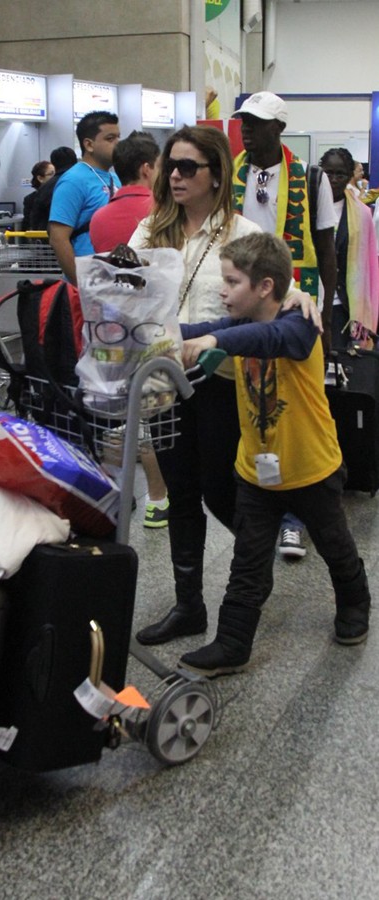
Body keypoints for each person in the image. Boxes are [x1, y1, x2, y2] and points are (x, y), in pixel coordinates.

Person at [176, 232, 371, 677]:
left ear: (265, 286)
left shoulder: (301, 324)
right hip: (256, 472)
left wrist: (214, 344)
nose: (222, 291)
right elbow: (200, 331)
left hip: (312, 470)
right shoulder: (237, 323)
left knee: (335, 546)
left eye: (232, 281)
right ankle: (232, 642)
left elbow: (272, 338)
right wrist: (152, 330)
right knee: (248, 559)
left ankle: (355, 601)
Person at [128, 125, 261, 645]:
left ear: (215, 174)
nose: (176, 176)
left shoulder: (242, 233)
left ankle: (253, 574)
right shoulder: (150, 229)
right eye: (172, 166)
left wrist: (299, 299)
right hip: (162, 379)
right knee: (180, 491)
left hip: (218, 382)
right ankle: (189, 607)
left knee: (220, 489)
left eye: (189, 167)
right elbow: (124, 290)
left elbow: (273, 293)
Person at [231, 90, 338, 561]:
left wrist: (328, 314)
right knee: (257, 401)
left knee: (297, 407)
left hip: (298, 309)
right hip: (249, 305)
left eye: (256, 123)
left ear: (279, 128)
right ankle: (263, 504)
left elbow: (327, 248)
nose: (247, 130)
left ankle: (296, 518)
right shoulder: (234, 173)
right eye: (244, 122)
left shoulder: (310, 178)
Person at [89, 130, 170, 529]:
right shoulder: (162, 210)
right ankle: (158, 496)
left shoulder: (100, 216)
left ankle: (116, 493)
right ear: (146, 167)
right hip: (154, 325)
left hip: (109, 324)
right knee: (153, 413)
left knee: (117, 410)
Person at [48, 111, 121, 284]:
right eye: (110, 139)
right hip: (88, 284)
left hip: (115, 282)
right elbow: (58, 238)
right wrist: (79, 284)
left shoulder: (115, 177)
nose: (118, 144)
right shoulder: (73, 180)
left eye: (119, 137)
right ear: (89, 144)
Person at [320, 147, 379, 349]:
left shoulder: (362, 214)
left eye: (340, 174)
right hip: (311, 302)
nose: (334, 179)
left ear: (349, 177)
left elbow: (370, 267)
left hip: (344, 310)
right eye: (329, 173)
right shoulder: (306, 209)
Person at [30, 146, 78, 233]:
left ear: (54, 164)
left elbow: (35, 219)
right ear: (75, 162)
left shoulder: (44, 188)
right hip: (78, 237)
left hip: (48, 237)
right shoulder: (83, 181)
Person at [22, 160, 54, 231]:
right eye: (51, 174)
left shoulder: (60, 195)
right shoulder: (30, 199)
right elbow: (28, 224)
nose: (55, 177)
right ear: (40, 178)